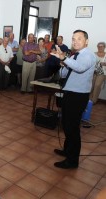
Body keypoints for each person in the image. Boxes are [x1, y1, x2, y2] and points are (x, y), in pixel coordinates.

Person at [51, 30, 96, 169]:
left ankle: (72, 161)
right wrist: (63, 64)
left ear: (86, 41)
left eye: (79, 38)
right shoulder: (74, 55)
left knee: (73, 128)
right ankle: (67, 150)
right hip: (70, 92)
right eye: (73, 39)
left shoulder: (88, 55)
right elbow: (64, 73)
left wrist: (64, 59)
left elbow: (80, 68)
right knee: (66, 124)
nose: (75, 41)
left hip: (78, 95)